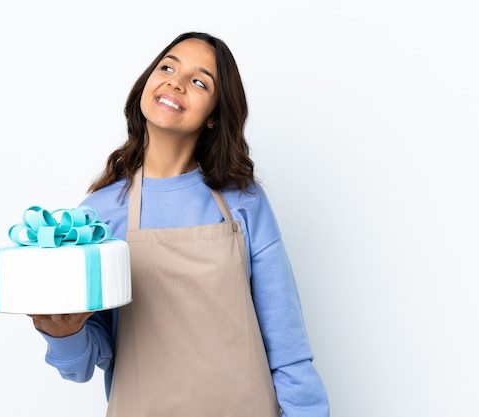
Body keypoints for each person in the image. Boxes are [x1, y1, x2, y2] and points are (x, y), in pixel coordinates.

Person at [29, 31, 330, 416]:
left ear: (214, 116)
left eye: (199, 81)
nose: (176, 81)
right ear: (147, 83)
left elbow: (288, 347)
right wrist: (63, 333)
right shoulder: (100, 213)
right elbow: (87, 360)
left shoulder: (242, 201)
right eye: (167, 66)